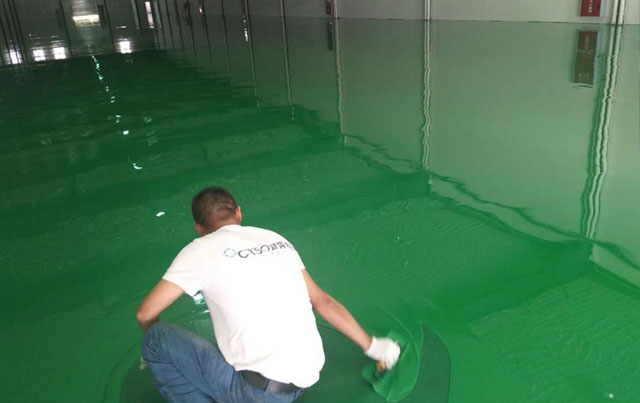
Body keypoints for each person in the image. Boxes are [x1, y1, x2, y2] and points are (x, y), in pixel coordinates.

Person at [136, 187, 401, 402]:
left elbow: (145, 313)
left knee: (155, 339)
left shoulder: (199, 250)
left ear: (199, 228)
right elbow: (323, 302)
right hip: (303, 381)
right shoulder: (274, 239)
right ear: (238, 213)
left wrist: (158, 351)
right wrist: (374, 346)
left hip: (257, 394)